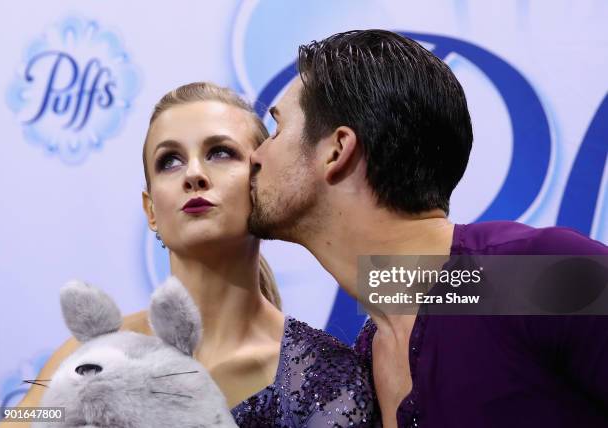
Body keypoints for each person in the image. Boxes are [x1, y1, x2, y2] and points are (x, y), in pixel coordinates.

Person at [248, 29, 608, 427]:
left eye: (276, 131)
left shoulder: (525, 275)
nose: (256, 156)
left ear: (337, 150)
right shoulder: (364, 364)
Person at [8, 82, 374, 428]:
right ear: (151, 210)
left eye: (220, 153)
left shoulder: (325, 376)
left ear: (261, 183)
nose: (194, 174)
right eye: (170, 161)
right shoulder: (87, 357)